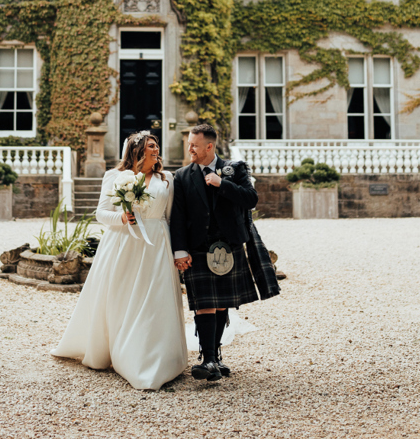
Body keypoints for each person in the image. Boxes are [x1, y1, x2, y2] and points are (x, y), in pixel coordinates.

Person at [51, 131, 188, 391]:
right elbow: (101, 213)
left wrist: (176, 250)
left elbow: (170, 218)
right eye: (150, 145)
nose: (155, 149)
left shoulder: (167, 179)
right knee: (122, 297)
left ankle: (154, 356)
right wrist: (122, 219)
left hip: (157, 244)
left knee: (155, 298)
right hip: (124, 244)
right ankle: (117, 348)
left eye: (156, 145)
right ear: (137, 151)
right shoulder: (115, 177)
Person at [171, 121, 280, 382]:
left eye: (194, 145)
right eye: (189, 144)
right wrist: (179, 250)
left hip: (229, 246)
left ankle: (214, 357)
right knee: (204, 305)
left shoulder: (235, 169)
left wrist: (223, 184)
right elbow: (178, 216)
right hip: (198, 248)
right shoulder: (182, 175)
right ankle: (208, 358)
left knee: (221, 305)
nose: (190, 149)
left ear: (209, 146)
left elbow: (251, 199)